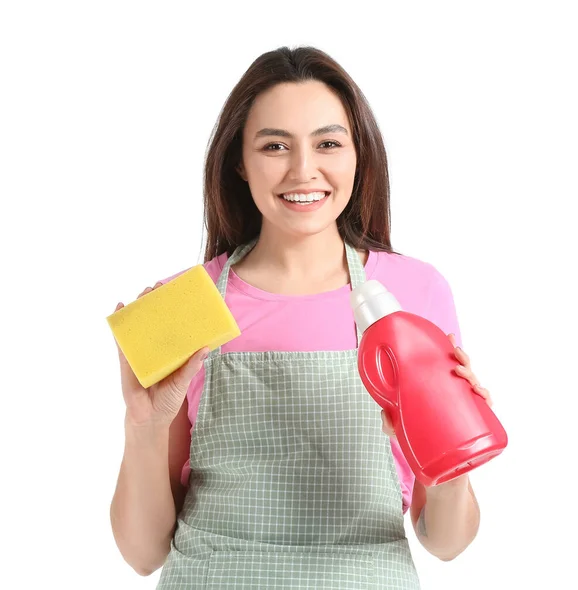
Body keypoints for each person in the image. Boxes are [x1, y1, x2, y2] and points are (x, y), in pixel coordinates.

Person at [110, 45, 493, 589]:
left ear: (359, 155)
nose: (303, 170)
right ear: (239, 161)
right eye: (274, 146)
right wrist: (143, 427)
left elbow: (446, 541)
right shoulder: (185, 303)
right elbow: (143, 554)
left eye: (328, 143)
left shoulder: (414, 292)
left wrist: (449, 457)